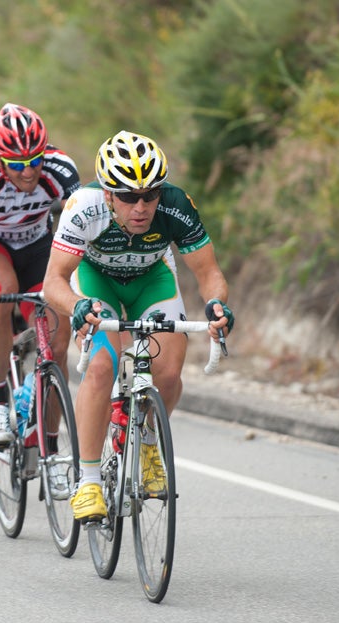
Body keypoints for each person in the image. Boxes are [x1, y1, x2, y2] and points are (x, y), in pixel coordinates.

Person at [42, 130, 234, 520]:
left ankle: (147, 439)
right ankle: (89, 481)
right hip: (98, 281)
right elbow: (52, 283)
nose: (141, 206)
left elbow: (209, 272)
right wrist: (78, 306)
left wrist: (216, 304)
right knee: (100, 365)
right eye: (128, 196)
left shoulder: (176, 206)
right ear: (109, 194)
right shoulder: (83, 206)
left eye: (150, 194)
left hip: (152, 279)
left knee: (168, 370)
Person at [0, 103, 81, 467]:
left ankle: (49, 446)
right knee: (1, 291)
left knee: (58, 346)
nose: (28, 171)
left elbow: (85, 229)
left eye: (34, 160)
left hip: (39, 244)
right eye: (16, 164)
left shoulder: (60, 168)